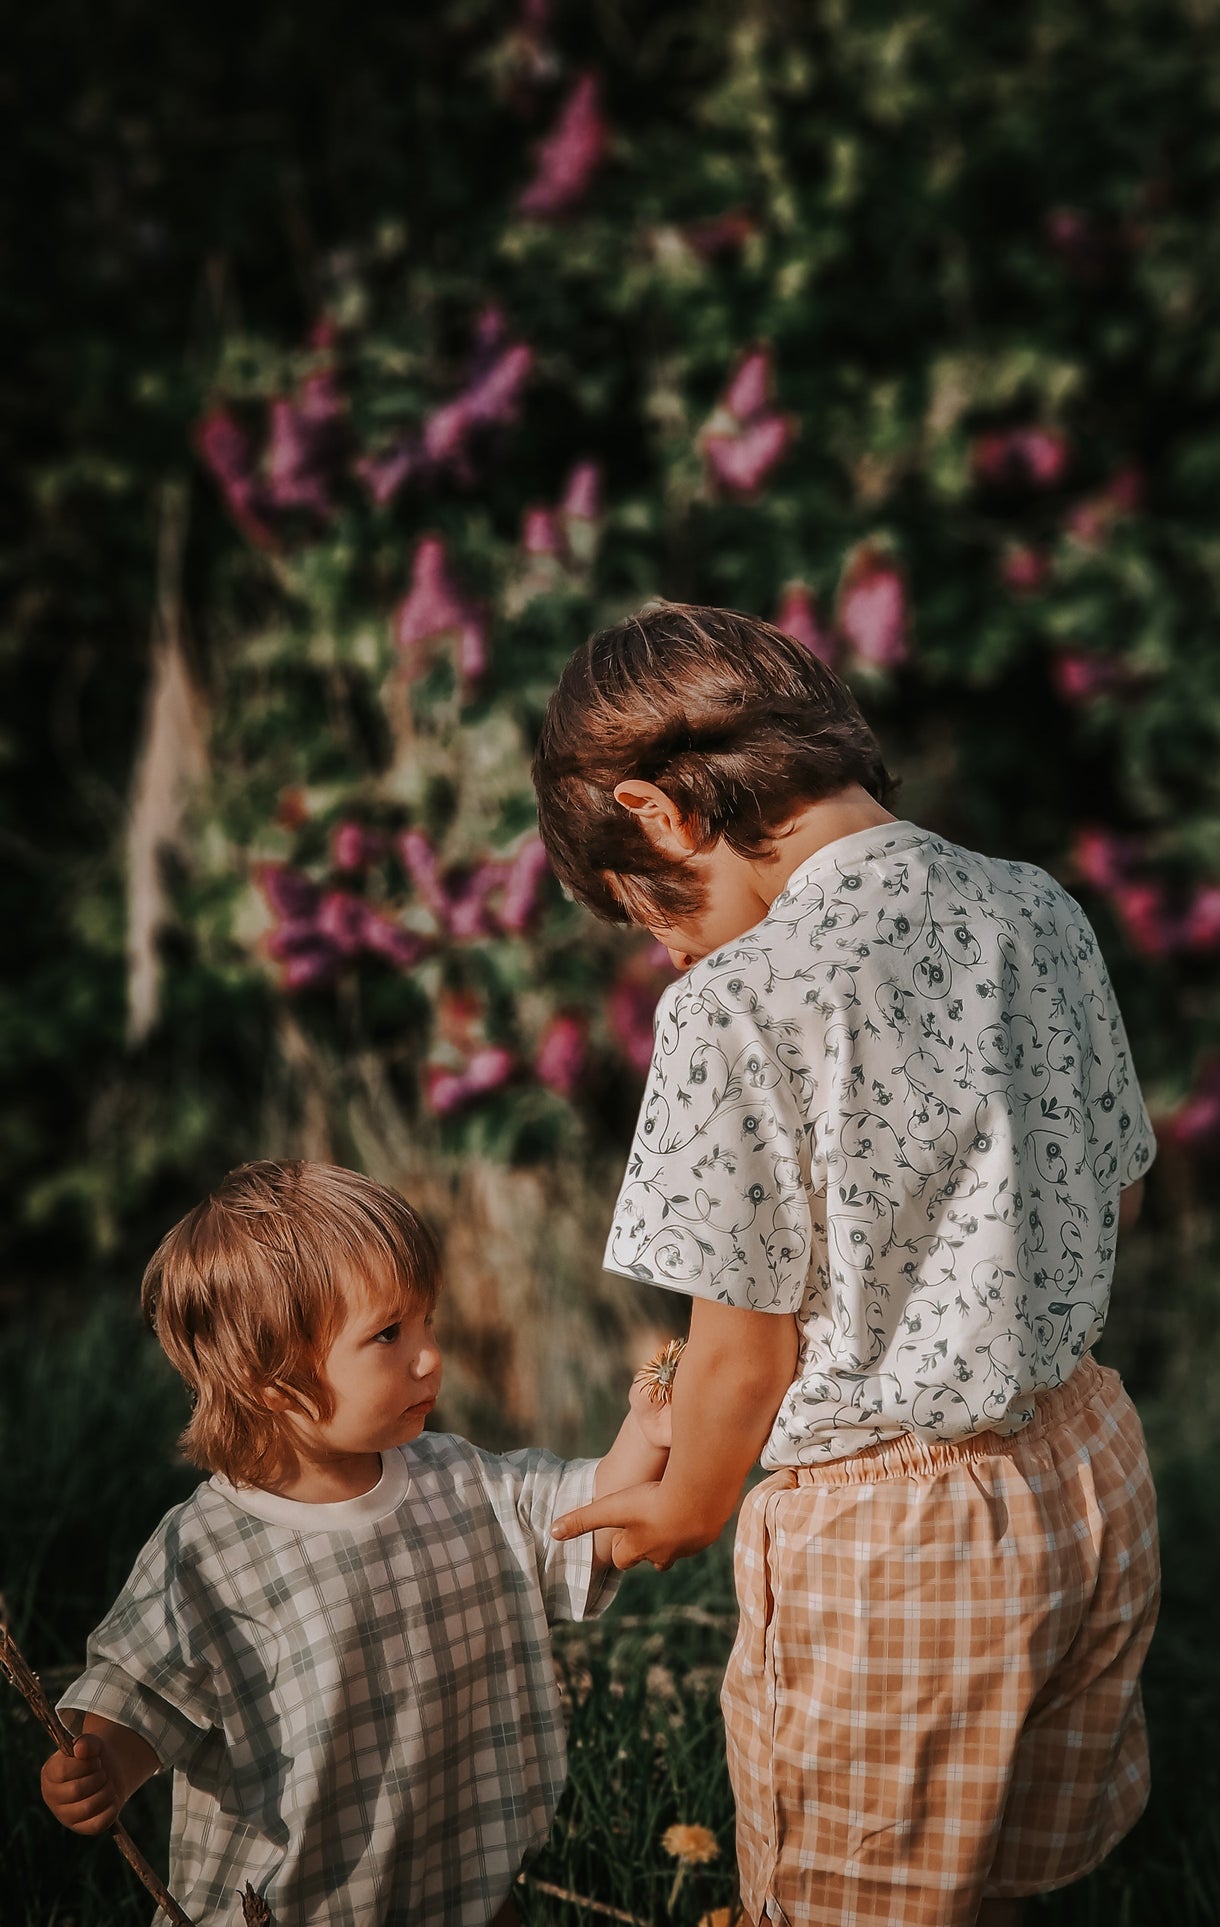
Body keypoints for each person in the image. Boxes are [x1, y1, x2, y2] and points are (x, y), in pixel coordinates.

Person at [534, 603, 1161, 1927]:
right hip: (1090, 1468)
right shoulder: (1033, 904)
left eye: (648, 914)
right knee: (1005, 1880)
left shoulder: (739, 996)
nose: (671, 948)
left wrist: (685, 1502)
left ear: (655, 809)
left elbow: (744, 1342)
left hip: (900, 1536)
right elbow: (1111, 1175)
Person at [41, 1159, 669, 1926]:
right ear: (272, 1378)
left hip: (460, 1885)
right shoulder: (210, 1551)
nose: (430, 1354)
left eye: (427, 1320)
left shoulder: (458, 1480)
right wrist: (103, 1762)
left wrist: (647, 1431)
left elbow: (585, 1515)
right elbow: (145, 1690)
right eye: (388, 1333)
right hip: (297, 1904)